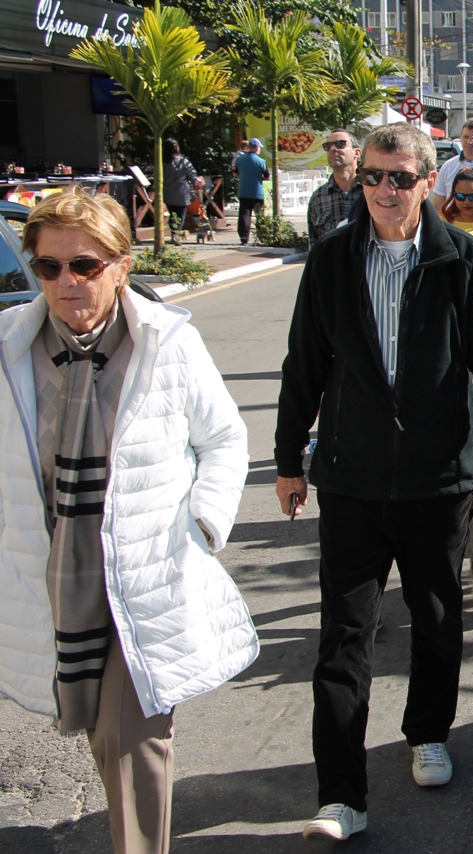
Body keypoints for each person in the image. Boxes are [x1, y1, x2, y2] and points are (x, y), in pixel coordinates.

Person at [273, 123, 473, 842]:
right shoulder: (329, 261)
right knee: (343, 636)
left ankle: (428, 732)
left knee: (437, 618)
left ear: (427, 185)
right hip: (351, 481)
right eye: (375, 176)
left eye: (401, 177)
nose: (385, 189)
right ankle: (341, 795)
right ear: (362, 181)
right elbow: (304, 367)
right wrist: (290, 459)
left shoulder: (464, 261)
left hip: (437, 481)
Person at [0, 188, 256, 852]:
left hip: (144, 573)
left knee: (130, 739)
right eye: (49, 268)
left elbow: (223, 438)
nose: (66, 283)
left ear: (120, 263)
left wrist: (201, 527)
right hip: (57, 575)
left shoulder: (166, 343)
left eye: (84, 265)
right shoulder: (9, 348)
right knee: (94, 726)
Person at [307, 129, 363, 243]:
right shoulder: (318, 197)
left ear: (356, 152)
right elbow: (314, 244)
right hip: (331, 260)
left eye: (340, 144)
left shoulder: (372, 190)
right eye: (328, 146)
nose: (333, 149)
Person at [161, 137, 200, 238]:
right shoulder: (183, 161)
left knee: (172, 214)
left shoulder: (162, 162)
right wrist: (196, 182)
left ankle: (174, 233)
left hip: (168, 192)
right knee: (180, 215)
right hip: (181, 192)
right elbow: (192, 175)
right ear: (176, 148)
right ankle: (176, 235)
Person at [234, 137, 268, 245]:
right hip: (257, 192)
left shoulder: (240, 159)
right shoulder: (261, 161)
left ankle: (244, 238)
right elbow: (267, 176)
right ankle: (262, 236)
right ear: (257, 148)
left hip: (243, 191)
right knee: (260, 216)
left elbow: (235, 172)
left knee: (244, 216)